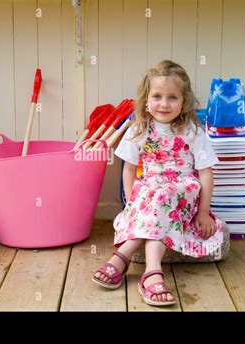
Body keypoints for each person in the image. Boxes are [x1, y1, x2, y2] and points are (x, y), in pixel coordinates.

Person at [92, 60, 224, 307]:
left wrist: (203, 212)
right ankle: (150, 274)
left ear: (184, 101)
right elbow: (129, 168)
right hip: (151, 187)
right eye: (157, 96)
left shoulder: (192, 131)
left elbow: (205, 172)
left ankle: (125, 257)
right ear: (146, 99)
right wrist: (131, 204)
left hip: (182, 188)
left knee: (161, 194)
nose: (164, 104)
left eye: (172, 97)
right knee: (151, 192)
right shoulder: (140, 129)